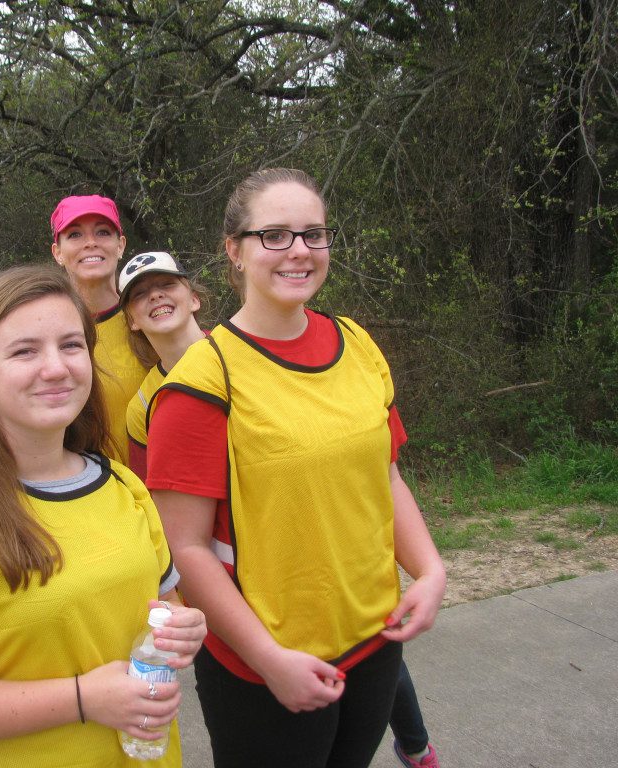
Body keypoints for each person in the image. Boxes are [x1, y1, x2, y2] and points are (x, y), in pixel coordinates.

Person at [146, 168, 446, 768]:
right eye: (275, 235)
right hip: (268, 663)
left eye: (314, 233)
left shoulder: (357, 343)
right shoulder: (203, 383)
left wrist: (429, 569)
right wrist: (267, 659)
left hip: (373, 639)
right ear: (234, 250)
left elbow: (384, 478)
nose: (300, 250)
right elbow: (186, 548)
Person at [0, 266, 206, 767]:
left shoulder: (123, 486)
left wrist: (184, 628)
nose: (56, 367)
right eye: (25, 351)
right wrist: (84, 698)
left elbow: (163, 606)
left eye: (72, 346)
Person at [51, 194, 147, 463]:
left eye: (103, 232)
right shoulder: (45, 332)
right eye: (75, 235)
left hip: (155, 493)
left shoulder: (148, 320)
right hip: (83, 495)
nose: (91, 243)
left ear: (120, 245)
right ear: (57, 252)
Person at [117, 251, 207, 479]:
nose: (156, 295)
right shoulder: (142, 406)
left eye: (167, 284)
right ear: (132, 320)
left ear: (194, 300)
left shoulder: (239, 351)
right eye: (139, 294)